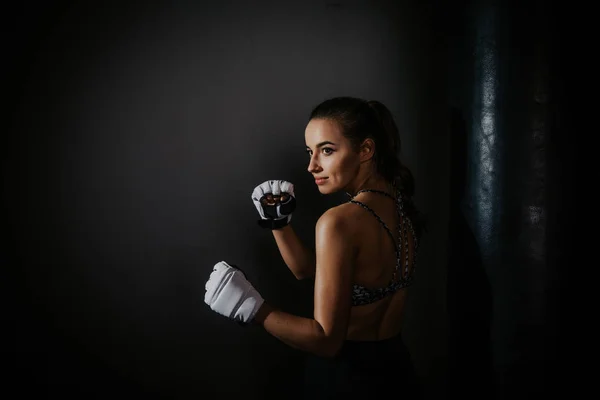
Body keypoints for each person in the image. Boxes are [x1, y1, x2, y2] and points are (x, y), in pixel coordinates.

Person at [204, 96, 426, 399]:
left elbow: (326, 340)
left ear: (365, 150)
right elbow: (310, 271)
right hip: (397, 374)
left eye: (327, 150)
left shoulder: (338, 222)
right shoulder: (401, 209)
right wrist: (279, 225)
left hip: (347, 380)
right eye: (310, 152)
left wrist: (253, 308)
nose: (311, 166)